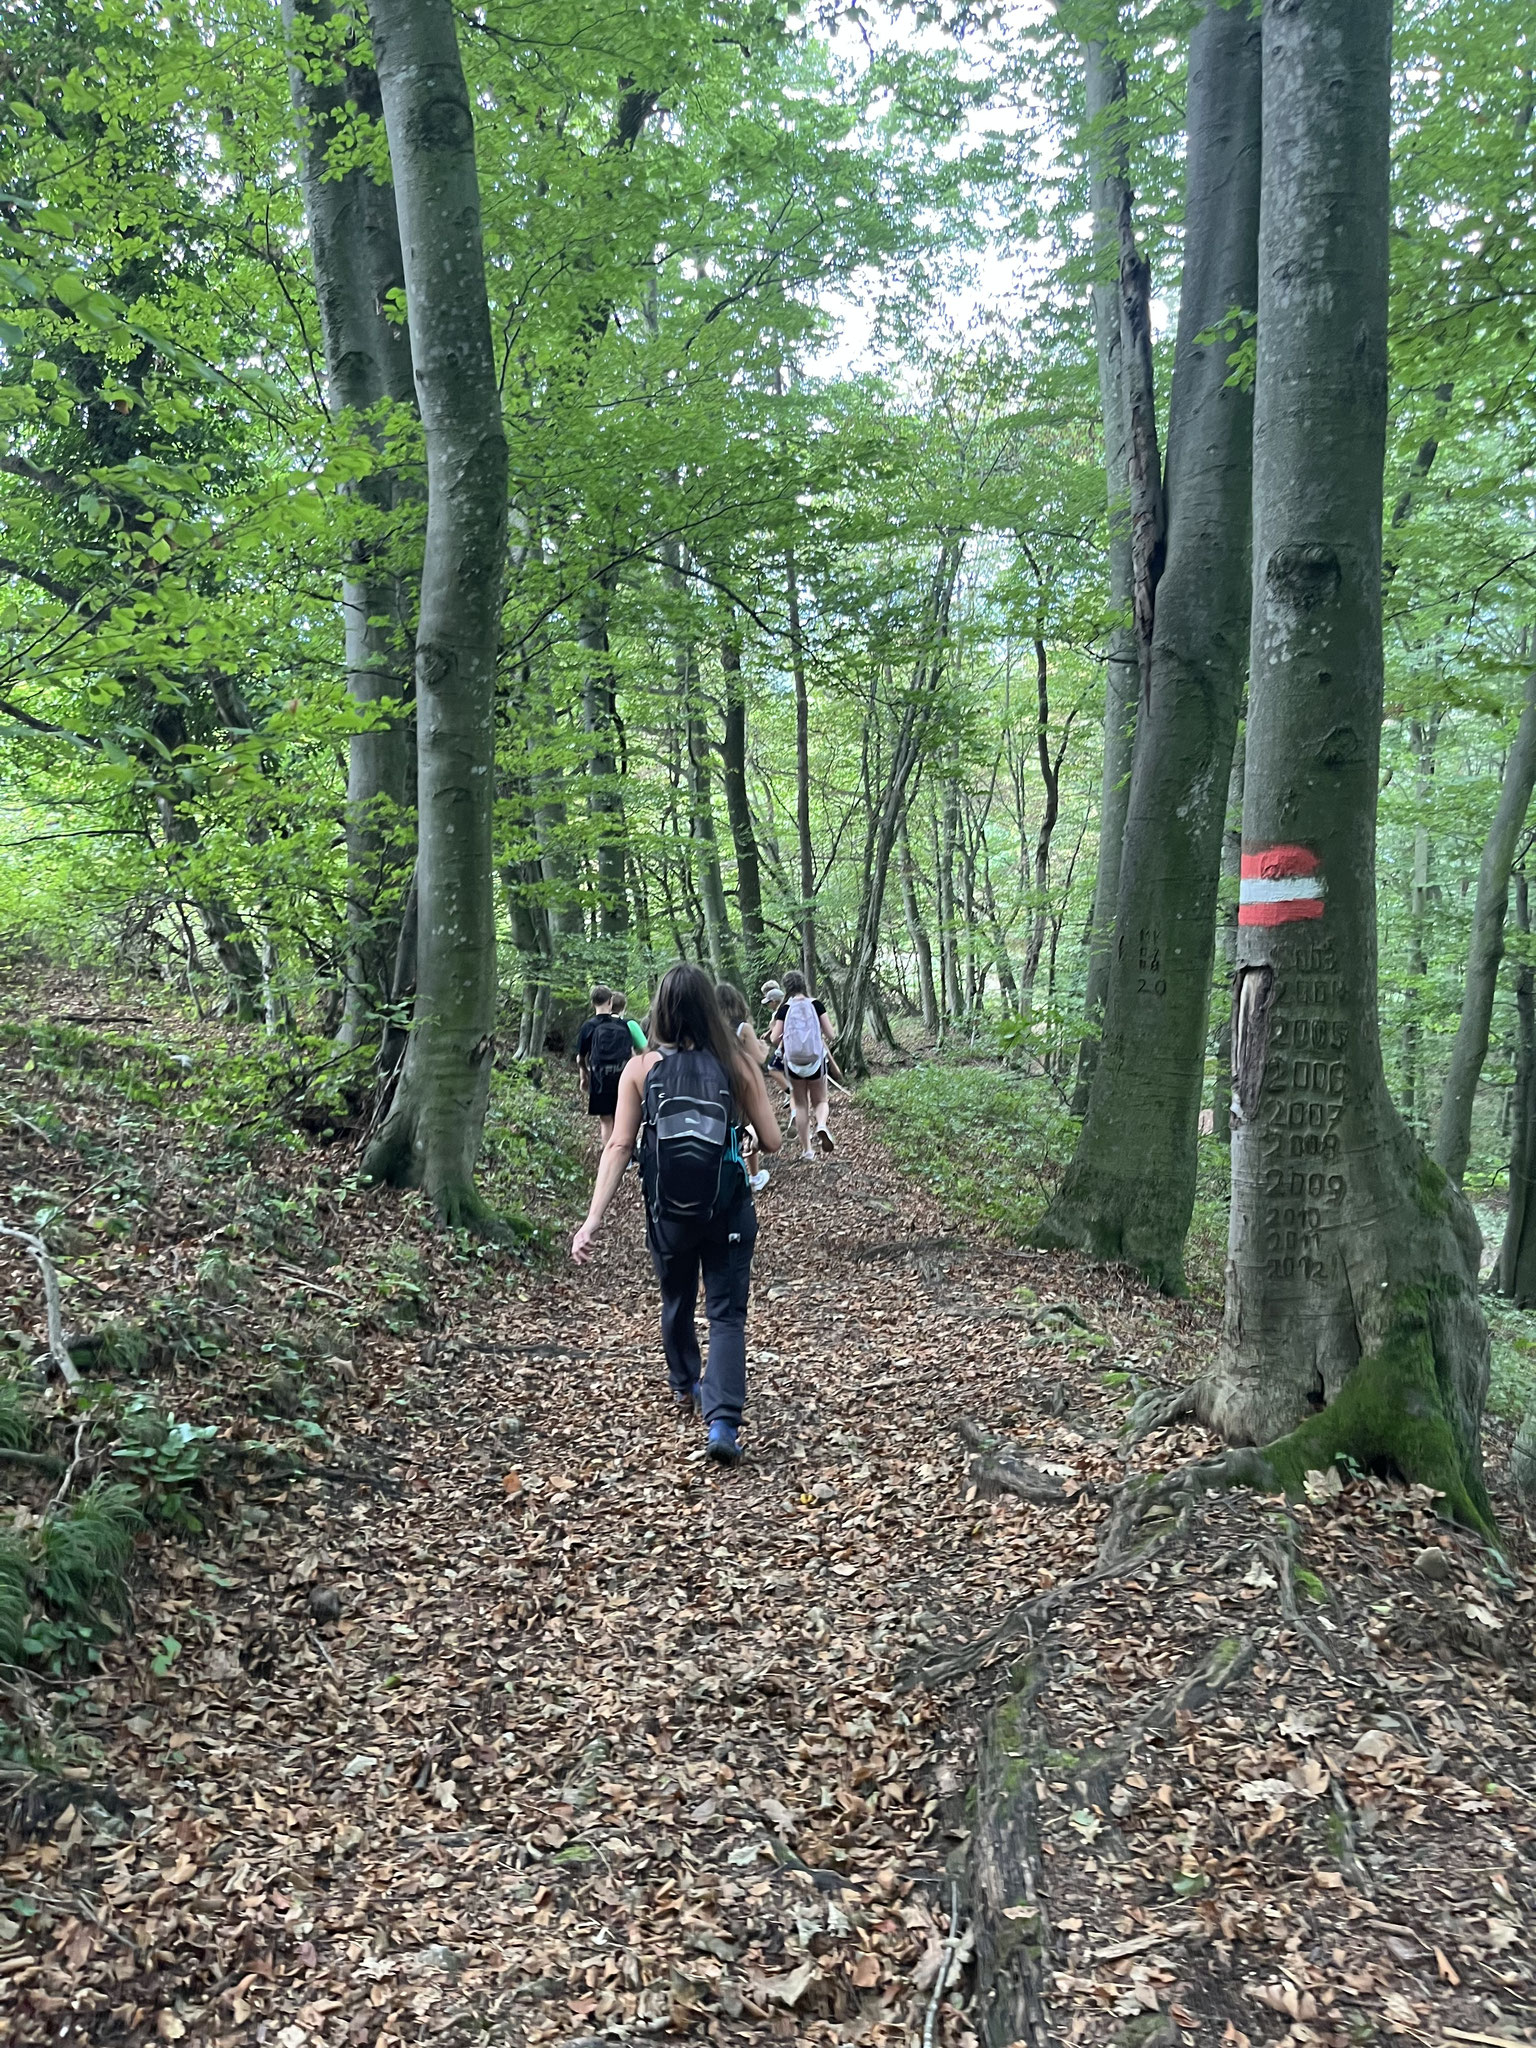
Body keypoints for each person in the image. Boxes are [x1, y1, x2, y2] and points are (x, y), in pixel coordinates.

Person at [572, 965, 782, 1465]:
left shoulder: (641, 1068)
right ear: (709, 1007)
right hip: (728, 1207)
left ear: (661, 1009)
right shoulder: (737, 1064)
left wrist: (592, 1220)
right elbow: (773, 1140)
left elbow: (619, 1145)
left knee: (677, 1299)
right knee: (726, 1313)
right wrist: (745, 1134)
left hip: (666, 1210)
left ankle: (686, 1384)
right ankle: (723, 1422)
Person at [769, 969, 836, 1161]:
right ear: (803, 984)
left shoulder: (784, 1009)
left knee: (800, 1105)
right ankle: (821, 1125)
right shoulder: (816, 1004)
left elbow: (774, 1039)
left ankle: (807, 1151)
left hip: (794, 1064)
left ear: (786, 987)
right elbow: (831, 1035)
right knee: (821, 1100)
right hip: (815, 1062)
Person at [716, 981, 774, 1195]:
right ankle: (753, 1175)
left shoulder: (713, 1029)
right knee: (750, 1125)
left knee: (727, 1126)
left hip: (719, 1082)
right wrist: (764, 1048)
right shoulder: (743, 1028)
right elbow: (758, 1058)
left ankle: (727, 1170)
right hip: (743, 1082)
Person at [575, 985, 635, 1148]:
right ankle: (624, 1154)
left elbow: (580, 1058)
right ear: (610, 1001)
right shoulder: (622, 1025)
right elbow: (631, 1054)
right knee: (620, 1118)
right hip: (621, 1078)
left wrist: (585, 1075)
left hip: (599, 1079)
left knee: (606, 1121)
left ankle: (608, 1155)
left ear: (592, 1003)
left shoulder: (588, 1026)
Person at [760, 980, 792, 1105]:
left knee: (773, 1068)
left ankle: (791, 1093)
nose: (768, 1005)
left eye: (768, 1001)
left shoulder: (780, 1012)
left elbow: (779, 1031)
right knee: (785, 1071)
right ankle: (789, 1095)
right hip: (786, 1045)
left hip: (784, 1046)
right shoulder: (787, 1007)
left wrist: (772, 1033)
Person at [613, 991, 648, 1057]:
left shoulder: (598, 1024)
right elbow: (646, 1050)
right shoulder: (630, 1024)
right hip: (626, 1062)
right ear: (624, 1008)